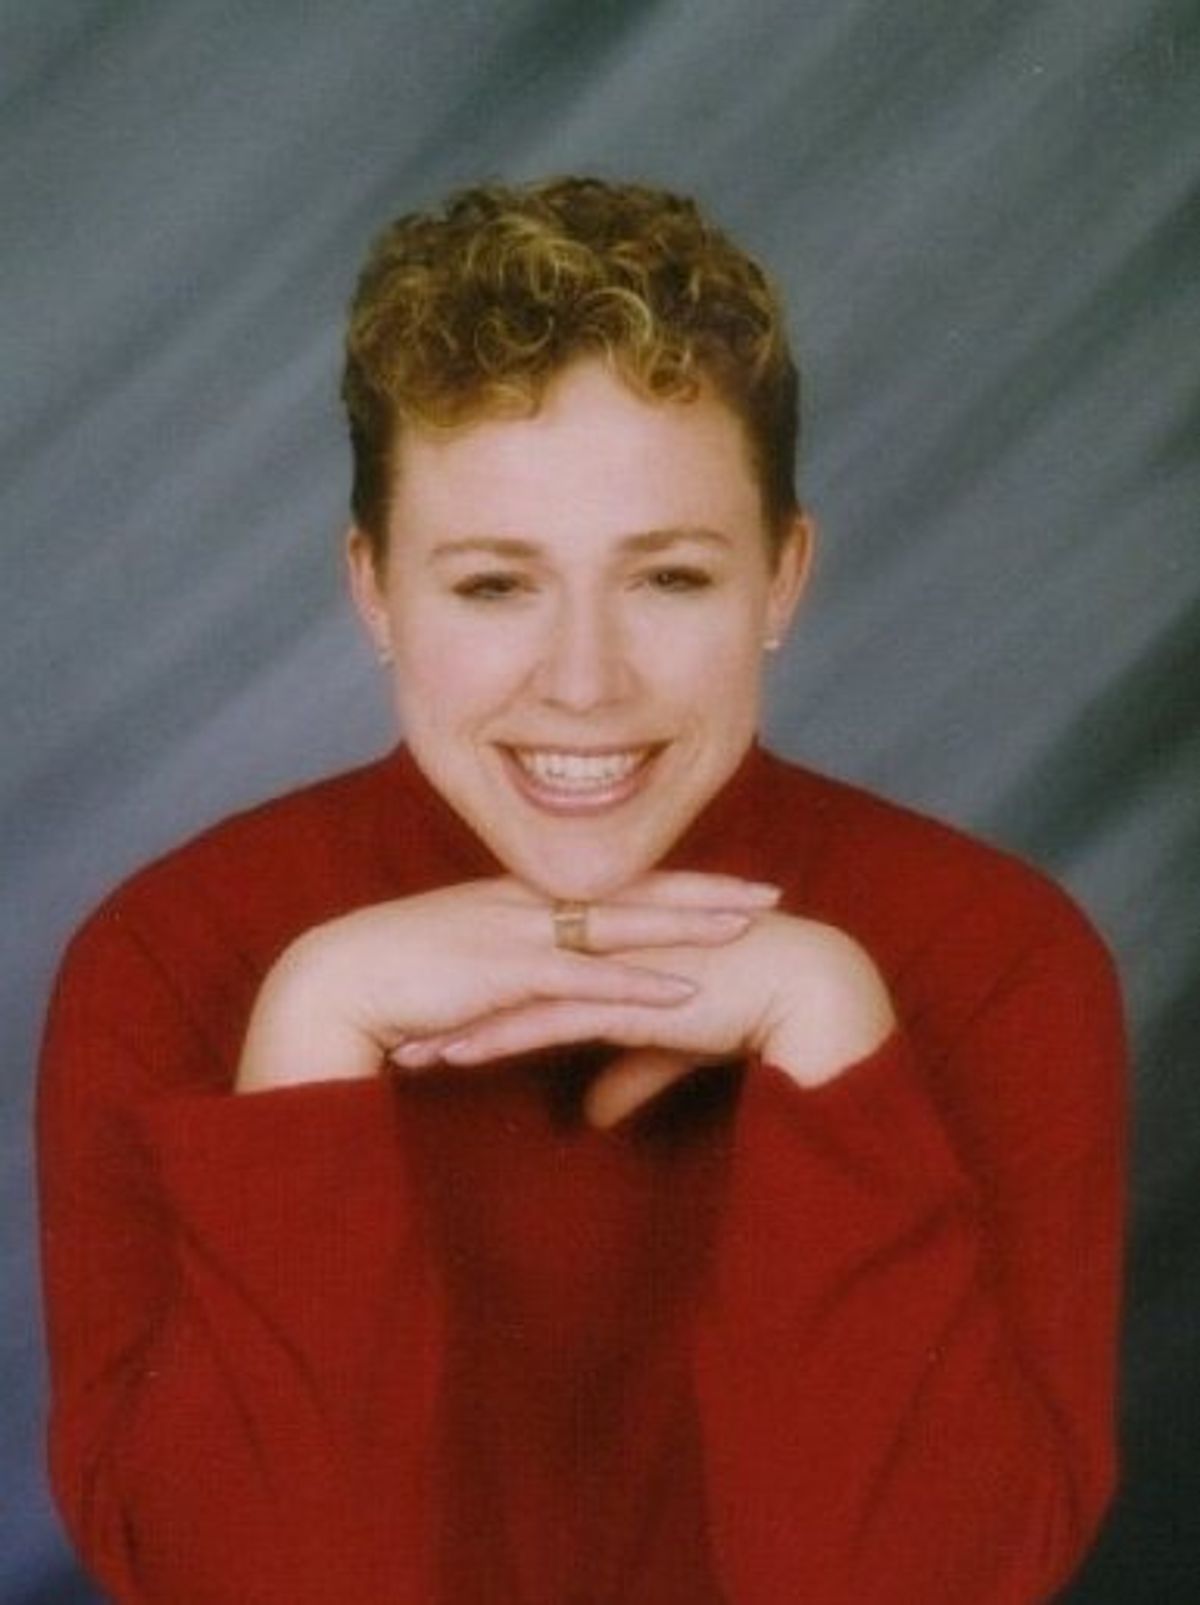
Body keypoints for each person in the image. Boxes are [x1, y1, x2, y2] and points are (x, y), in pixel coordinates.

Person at [37, 177, 1126, 1605]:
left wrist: (828, 1017)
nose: (584, 681)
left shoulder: (995, 956)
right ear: (373, 591)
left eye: (669, 577)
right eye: (494, 585)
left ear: (782, 576)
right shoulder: (173, 961)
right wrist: (311, 1027)